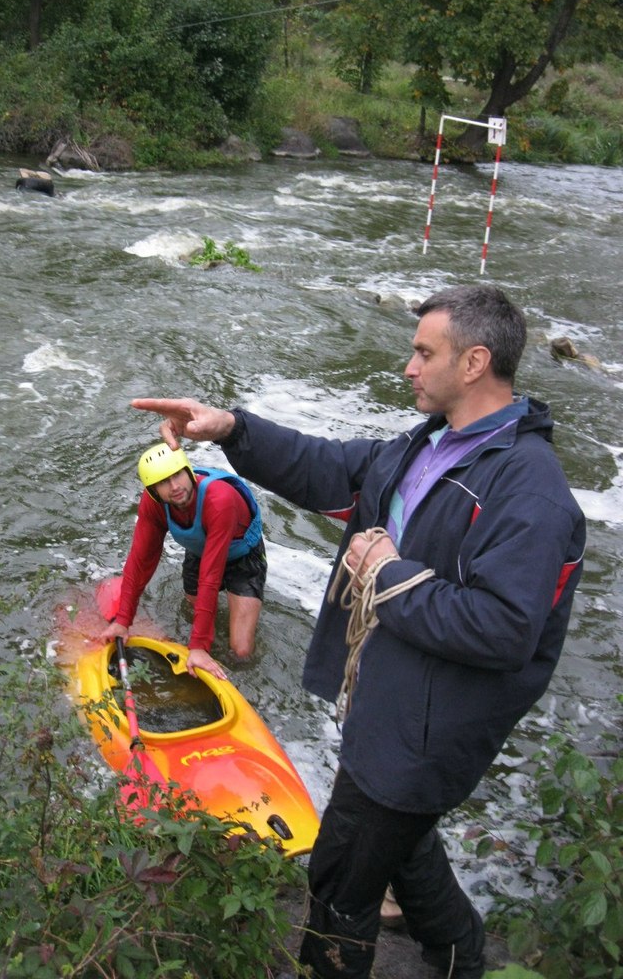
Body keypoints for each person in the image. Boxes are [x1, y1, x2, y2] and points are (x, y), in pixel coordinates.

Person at [128, 283, 586, 979]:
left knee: (340, 877)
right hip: (390, 700)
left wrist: (391, 576)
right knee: (405, 848)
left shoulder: (531, 491)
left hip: (423, 734)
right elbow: (331, 467)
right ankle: (462, 960)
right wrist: (232, 429)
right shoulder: (430, 443)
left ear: (474, 364)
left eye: (423, 352)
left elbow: (504, 630)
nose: (409, 366)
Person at [100, 442, 267, 680]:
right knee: (193, 608)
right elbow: (139, 561)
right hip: (199, 551)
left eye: (177, 475)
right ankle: (214, 630)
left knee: (240, 651)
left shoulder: (220, 499)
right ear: (153, 490)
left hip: (243, 558)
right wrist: (123, 620)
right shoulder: (153, 505)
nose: (175, 486)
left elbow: (211, 576)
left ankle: (223, 644)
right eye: (163, 482)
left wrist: (198, 646)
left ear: (188, 471)